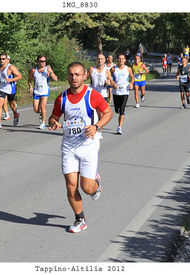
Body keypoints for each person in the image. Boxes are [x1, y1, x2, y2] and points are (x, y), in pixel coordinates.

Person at [48, 62, 113, 233]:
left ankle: (95, 183)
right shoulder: (61, 98)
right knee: (70, 185)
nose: (74, 78)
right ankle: (80, 219)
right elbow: (53, 117)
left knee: (87, 188)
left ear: (85, 76)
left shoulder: (92, 95)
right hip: (69, 146)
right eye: (71, 74)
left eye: (77, 74)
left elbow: (108, 113)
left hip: (88, 145)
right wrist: (53, 122)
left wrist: (97, 126)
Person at [28, 55, 58, 129]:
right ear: (38, 62)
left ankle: (43, 123)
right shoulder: (34, 71)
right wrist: (30, 86)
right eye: (41, 61)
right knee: (36, 109)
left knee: (42, 107)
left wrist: (50, 72)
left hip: (45, 91)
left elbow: (55, 79)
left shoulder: (47, 70)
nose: (43, 63)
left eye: (44, 61)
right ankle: (41, 114)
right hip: (36, 92)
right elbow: (29, 80)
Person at [0, 53, 22, 129]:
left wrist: (11, 80)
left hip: (10, 88)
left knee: (12, 104)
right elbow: (0, 76)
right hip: (1, 88)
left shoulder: (11, 67)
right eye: (0, 59)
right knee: (0, 104)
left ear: (7, 59)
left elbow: (19, 76)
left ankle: (16, 114)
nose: (1, 60)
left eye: (3, 59)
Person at [111, 54, 134, 134]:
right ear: (117, 60)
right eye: (119, 59)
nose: (121, 60)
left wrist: (131, 83)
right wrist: (112, 83)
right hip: (116, 92)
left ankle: (119, 127)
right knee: (117, 110)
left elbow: (132, 77)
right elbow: (109, 78)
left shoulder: (128, 69)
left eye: (122, 59)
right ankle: (119, 112)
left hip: (125, 91)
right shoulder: (113, 69)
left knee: (122, 109)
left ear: (125, 60)